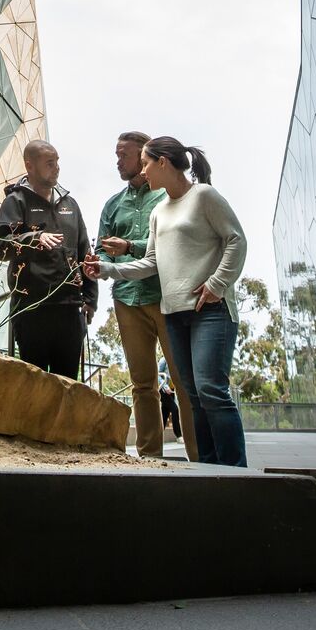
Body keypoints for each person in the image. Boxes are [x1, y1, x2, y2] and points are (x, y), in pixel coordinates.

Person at [84, 136, 248, 466]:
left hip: (209, 310)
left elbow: (236, 240)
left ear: (162, 162)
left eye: (144, 162)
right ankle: (208, 468)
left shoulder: (204, 196)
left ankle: (236, 472)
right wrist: (106, 268)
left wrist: (217, 284)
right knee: (194, 394)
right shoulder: (159, 212)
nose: (142, 170)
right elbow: (151, 262)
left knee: (209, 391)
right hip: (173, 313)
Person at [96, 130, 199, 460]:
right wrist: (98, 263)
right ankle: (150, 458)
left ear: (145, 159)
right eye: (117, 154)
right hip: (127, 300)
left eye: (123, 155)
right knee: (142, 385)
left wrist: (129, 248)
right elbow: (104, 252)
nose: (117, 161)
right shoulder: (112, 205)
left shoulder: (166, 197)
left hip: (167, 298)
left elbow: (168, 248)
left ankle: (199, 458)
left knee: (183, 382)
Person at [0, 139, 97, 376]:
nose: (56, 167)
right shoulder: (16, 201)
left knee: (68, 387)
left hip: (70, 309)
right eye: (50, 163)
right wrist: (33, 239)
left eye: (57, 162)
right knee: (36, 387)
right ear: (30, 166)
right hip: (31, 310)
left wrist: (90, 298)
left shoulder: (70, 205)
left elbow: (84, 253)